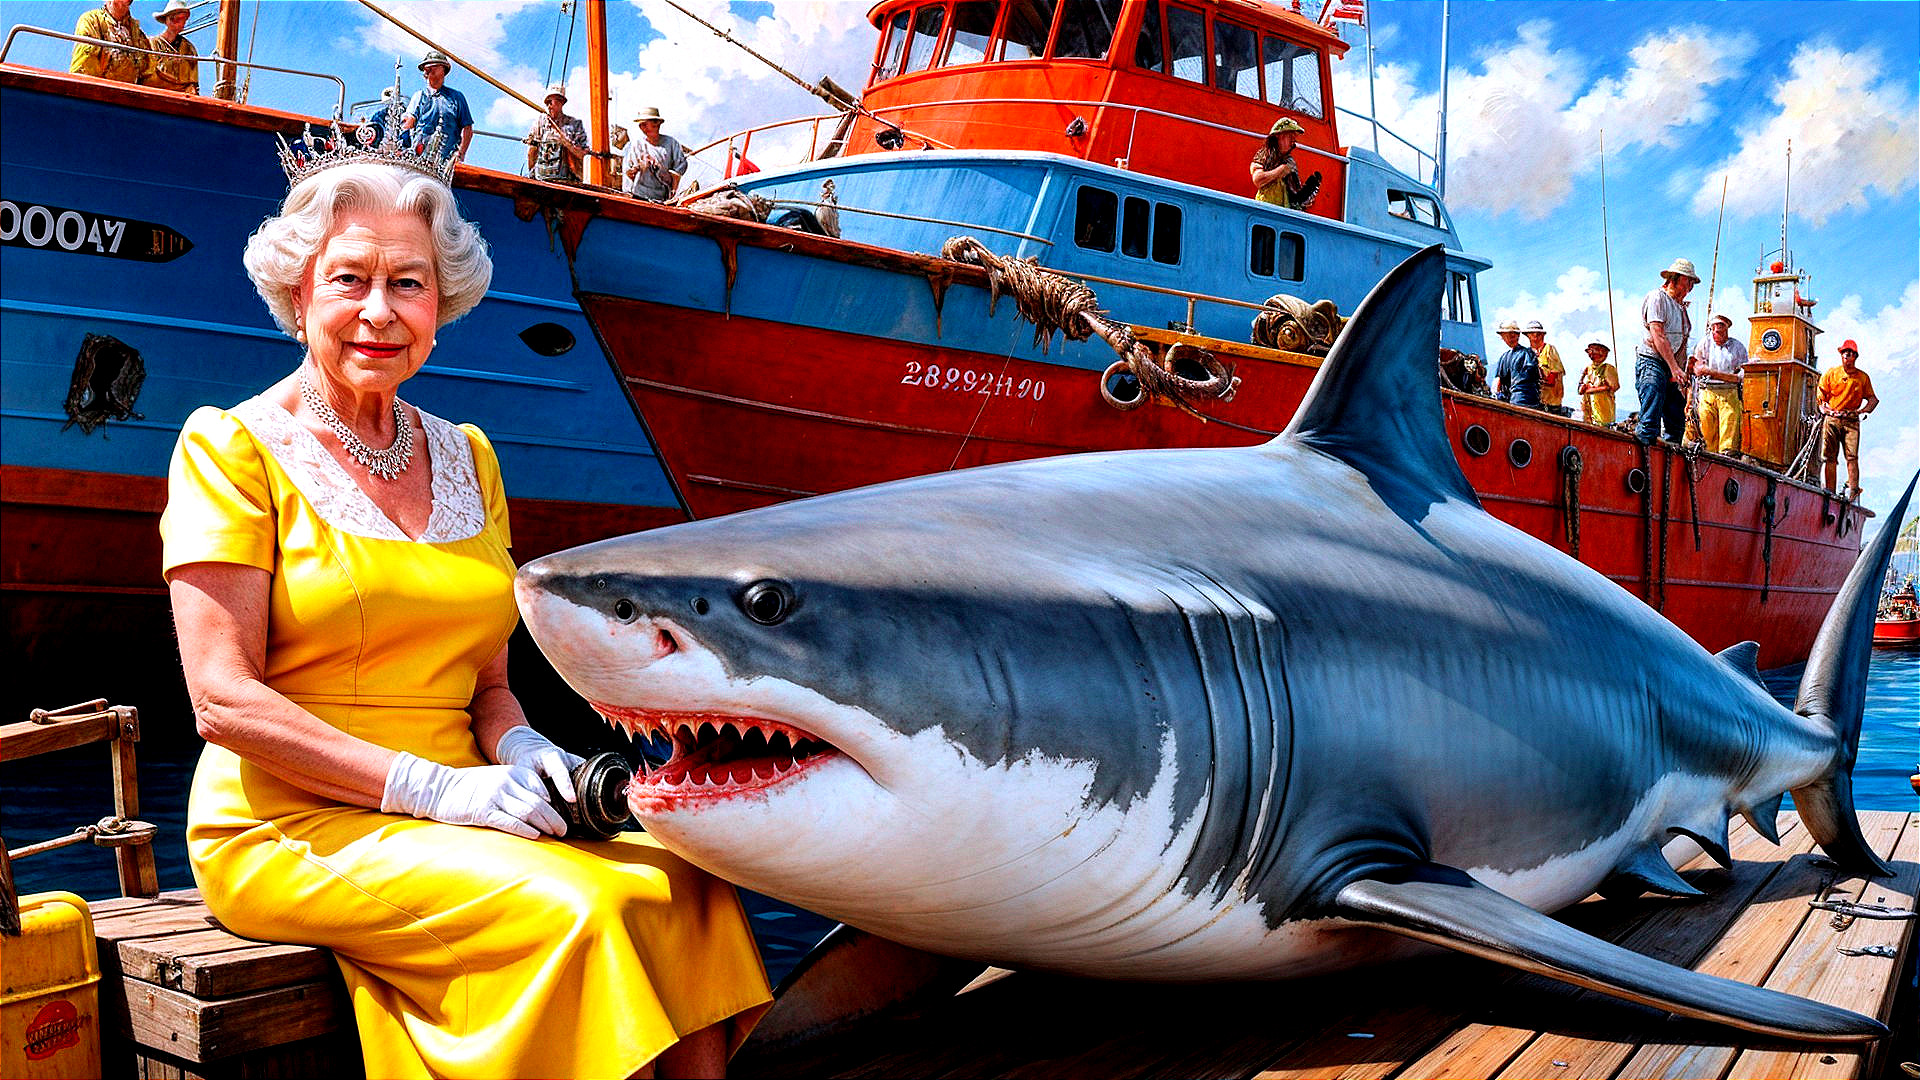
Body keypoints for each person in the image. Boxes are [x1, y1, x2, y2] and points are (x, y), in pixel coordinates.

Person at [161, 143, 770, 1077]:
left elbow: (489, 681)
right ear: (298, 296)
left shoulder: (469, 456)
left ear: (441, 305)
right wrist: (436, 791)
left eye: (408, 283)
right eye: (349, 279)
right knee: (590, 914)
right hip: (290, 821)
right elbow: (222, 701)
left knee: (691, 886)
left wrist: (524, 751)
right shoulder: (231, 447)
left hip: (472, 807)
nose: (379, 310)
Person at [1635, 257, 1697, 444]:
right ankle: (1643, 459)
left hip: (1670, 366)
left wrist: (1681, 372)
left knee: (1677, 420)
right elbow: (1658, 336)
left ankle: (1670, 462)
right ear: (1675, 278)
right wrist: (1675, 369)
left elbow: (1682, 342)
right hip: (1651, 361)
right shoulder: (1657, 298)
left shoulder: (1681, 307)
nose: (1691, 286)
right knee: (1651, 415)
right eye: (1689, 281)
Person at [1816, 339, 1878, 499]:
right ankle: (1829, 491)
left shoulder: (1862, 377)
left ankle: (1853, 491)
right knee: (1829, 457)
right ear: (1841, 355)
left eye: (1850, 353)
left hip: (1851, 421)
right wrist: (1823, 407)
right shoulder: (1831, 373)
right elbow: (1820, 393)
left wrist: (1864, 411)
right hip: (1832, 420)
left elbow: (1873, 399)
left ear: (1855, 357)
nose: (1847, 355)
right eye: (1844, 352)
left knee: (1851, 457)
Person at [1689, 312, 1747, 456]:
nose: (1716, 331)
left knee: (1729, 433)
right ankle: (1708, 461)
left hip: (1730, 393)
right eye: (1713, 328)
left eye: (1720, 328)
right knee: (1707, 433)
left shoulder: (1738, 347)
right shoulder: (1704, 343)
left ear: (1726, 329)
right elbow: (1697, 369)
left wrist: (1713, 373)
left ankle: (1727, 461)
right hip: (1707, 392)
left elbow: (1741, 377)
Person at [401, 50, 473, 163]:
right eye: (427, 66)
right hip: (420, 159)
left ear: (443, 69)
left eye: (434, 65)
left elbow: (467, 128)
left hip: (447, 160)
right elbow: (409, 123)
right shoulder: (419, 96)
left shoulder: (456, 97)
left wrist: (460, 153)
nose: (429, 68)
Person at [70, 0, 150, 84]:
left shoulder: (137, 33)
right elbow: (84, 65)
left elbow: (149, 72)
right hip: (98, 89)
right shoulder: (91, 20)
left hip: (131, 93)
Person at [1249, 118, 1322, 209]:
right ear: (1278, 135)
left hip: (1283, 210)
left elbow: (1295, 196)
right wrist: (1281, 170)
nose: (1294, 141)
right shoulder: (1264, 155)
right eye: (1290, 137)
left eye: (1294, 138)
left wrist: (1307, 194)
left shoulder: (1289, 161)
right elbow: (1258, 179)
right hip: (1266, 209)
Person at [526, 83, 589, 184]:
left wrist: (567, 144)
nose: (549, 105)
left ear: (561, 102)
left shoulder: (574, 124)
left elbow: (584, 156)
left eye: (551, 101)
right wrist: (531, 175)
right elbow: (532, 151)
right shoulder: (540, 122)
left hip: (567, 180)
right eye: (547, 102)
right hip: (541, 178)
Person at [624, 107, 688, 202]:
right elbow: (628, 171)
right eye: (641, 125)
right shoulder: (636, 145)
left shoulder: (671, 143)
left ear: (657, 124)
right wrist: (637, 168)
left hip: (662, 198)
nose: (642, 128)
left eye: (645, 124)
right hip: (639, 196)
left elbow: (679, 168)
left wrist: (673, 190)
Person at [140, 0, 197, 94]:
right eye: (176, 18)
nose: (182, 23)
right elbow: (148, 78)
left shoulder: (189, 49)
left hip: (181, 100)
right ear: (168, 20)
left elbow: (193, 84)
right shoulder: (151, 44)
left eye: (183, 19)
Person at [1491, 319, 1542, 409]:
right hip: (1530, 402)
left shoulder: (1505, 357)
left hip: (1517, 402)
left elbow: (1497, 385)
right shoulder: (1528, 354)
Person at [1524, 320, 1566, 416]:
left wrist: (1539, 378)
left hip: (1551, 402)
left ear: (1543, 335)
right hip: (1535, 402)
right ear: (1527, 336)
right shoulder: (1527, 353)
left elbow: (1553, 376)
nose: (1535, 336)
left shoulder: (1549, 349)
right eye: (1532, 333)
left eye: (1538, 333)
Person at [1577, 339, 1620, 426]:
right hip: (1588, 412)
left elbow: (1614, 386)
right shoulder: (1588, 368)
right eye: (1590, 350)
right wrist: (1582, 387)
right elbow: (1580, 388)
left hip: (1603, 413)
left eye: (1595, 350)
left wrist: (1592, 390)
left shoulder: (1608, 368)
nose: (1591, 353)